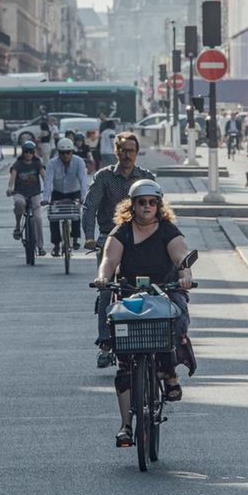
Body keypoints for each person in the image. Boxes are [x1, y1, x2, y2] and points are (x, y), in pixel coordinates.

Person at [90, 180, 196, 447]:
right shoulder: (122, 232)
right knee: (124, 364)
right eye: (141, 202)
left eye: (152, 202)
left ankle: (169, 374)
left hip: (164, 292)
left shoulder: (168, 230)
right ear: (132, 205)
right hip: (130, 295)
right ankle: (126, 426)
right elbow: (109, 260)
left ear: (158, 205)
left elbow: (181, 257)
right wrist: (103, 277)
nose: (147, 207)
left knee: (175, 320)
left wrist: (185, 275)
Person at [83, 131, 156, 257]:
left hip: (139, 236)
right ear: (116, 152)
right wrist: (89, 237)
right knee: (105, 269)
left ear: (137, 152)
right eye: (124, 151)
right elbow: (90, 206)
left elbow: (158, 209)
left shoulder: (146, 177)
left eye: (131, 151)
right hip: (108, 235)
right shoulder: (103, 176)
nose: (127, 155)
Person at [46, 137, 89, 257]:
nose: (65, 155)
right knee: (53, 217)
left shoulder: (79, 162)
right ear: (58, 153)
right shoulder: (52, 163)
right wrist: (45, 198)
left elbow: (83, 180)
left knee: (76, 214)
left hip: (74, 192)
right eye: (62, 153)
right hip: (57, 193)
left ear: (72, 152)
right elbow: (48, 181)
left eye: (68, 152)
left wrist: (84, 197)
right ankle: (56, 244)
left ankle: (75, 239)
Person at [9, 141, 47, 256]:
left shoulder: (37, 163)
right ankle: (17, 226)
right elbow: (12, 178)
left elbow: (45, 177)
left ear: (34, 152)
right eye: (26, 151)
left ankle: (40, 246)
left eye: (31, 152)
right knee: (19, 204)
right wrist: (10, 188)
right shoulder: (18, 164)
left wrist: (49, 188)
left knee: (38, 219)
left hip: (35, 194)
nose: (28, 154)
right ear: (23, 152)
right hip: (20, 193)